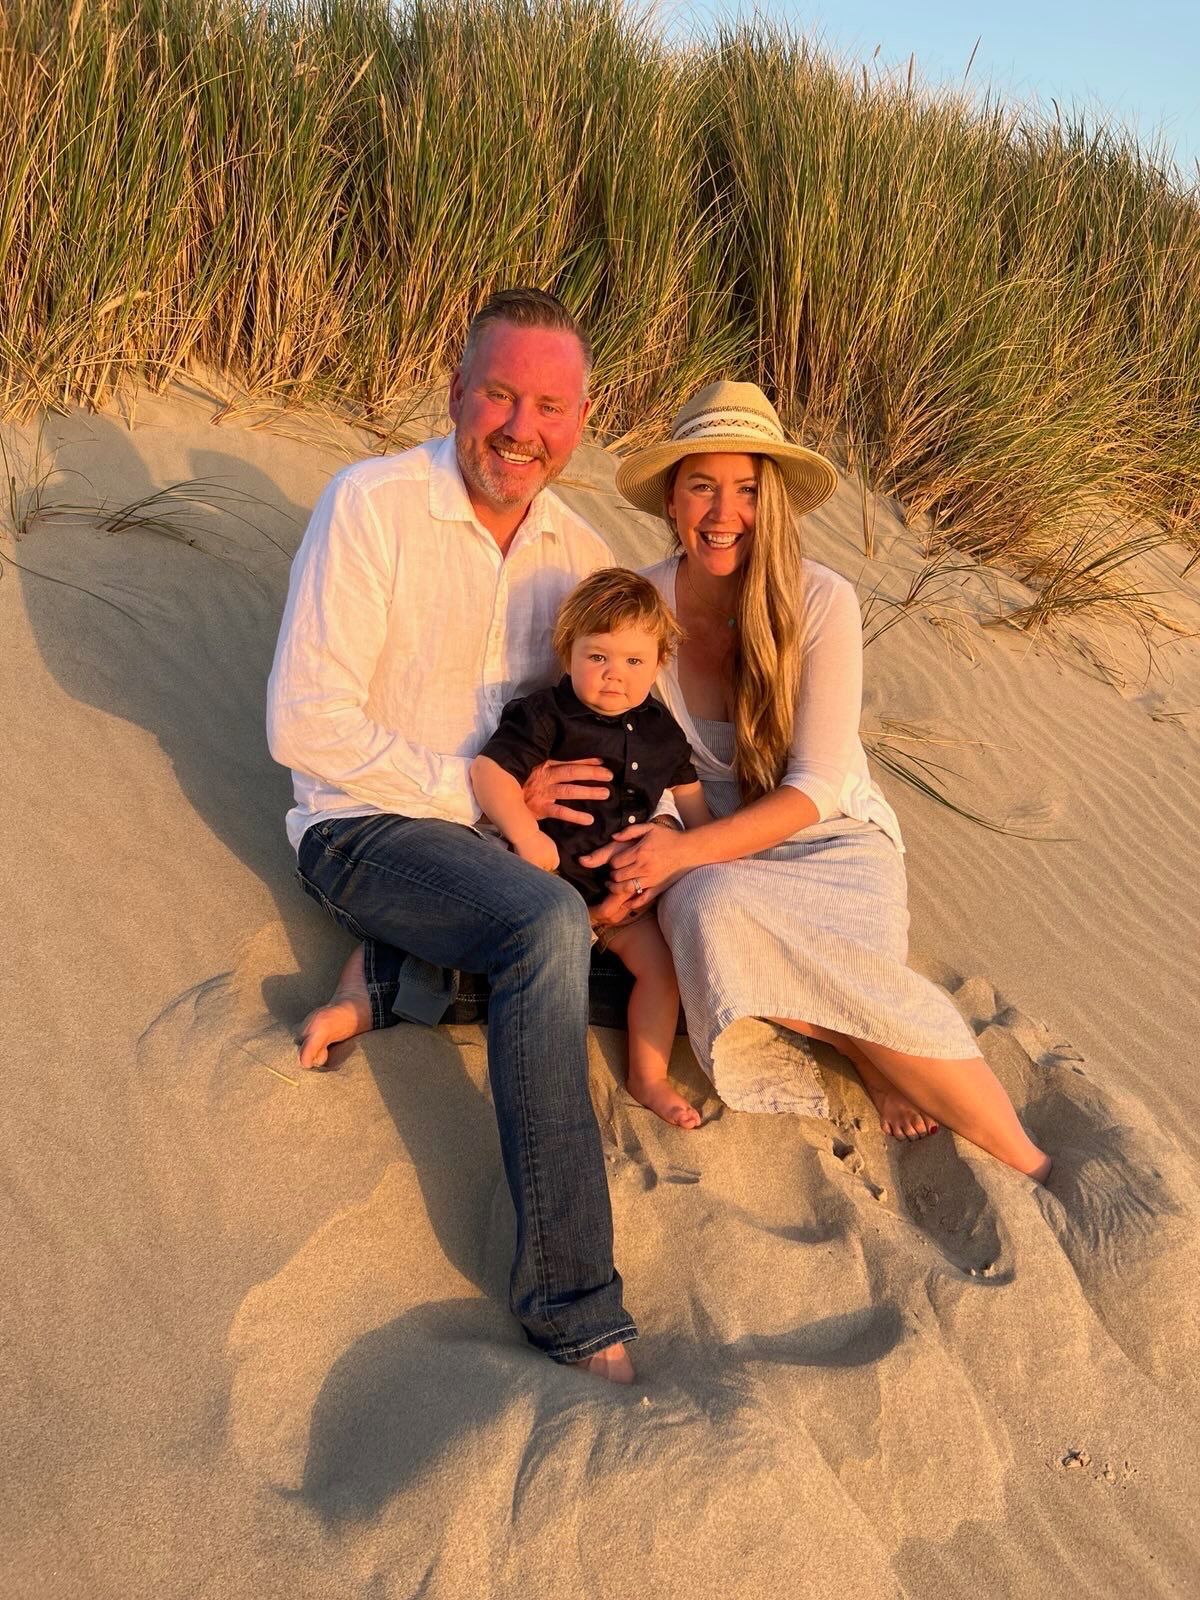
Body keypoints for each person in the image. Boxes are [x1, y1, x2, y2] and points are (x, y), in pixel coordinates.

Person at [266, 288, 649, 1383]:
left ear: (580, 420)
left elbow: (614, 704)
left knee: (641, 959)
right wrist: (478, 801)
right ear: (457, 390)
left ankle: (395, 984)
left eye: (549, 406)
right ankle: (574, 1305)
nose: (520, 429)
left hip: (501, 846)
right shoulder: (372, 503)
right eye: (499, 394)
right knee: (544, 929)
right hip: (365, 825)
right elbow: (303, 719)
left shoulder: (581, 554)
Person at [590, 380, 1051, 1181]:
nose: (722, 511)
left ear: (773, 503)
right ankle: (858, 1047)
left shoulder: (819, 601)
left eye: (746, 489)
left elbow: (814, 790)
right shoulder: (643, 603)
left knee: (798, 946)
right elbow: (618, 729)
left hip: (830, 843)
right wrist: (664, 838)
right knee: (708, 911)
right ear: (673, 497)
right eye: (702, 485)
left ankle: (1026, 1158)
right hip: (708, 846)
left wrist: (679, 855)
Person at [471, 568, 711, 1130]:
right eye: (597, 656)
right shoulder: (545, 715)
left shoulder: (662, 731)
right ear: (568, 652)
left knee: (662, 972)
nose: (614, 675)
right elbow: (491, 773)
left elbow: (694, 805)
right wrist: (526, 835)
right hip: (548, 891)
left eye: (634, 661)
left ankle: (647, 1076)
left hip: (625, 905)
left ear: (659, 662)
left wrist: (696, 848)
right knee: (547, 975)